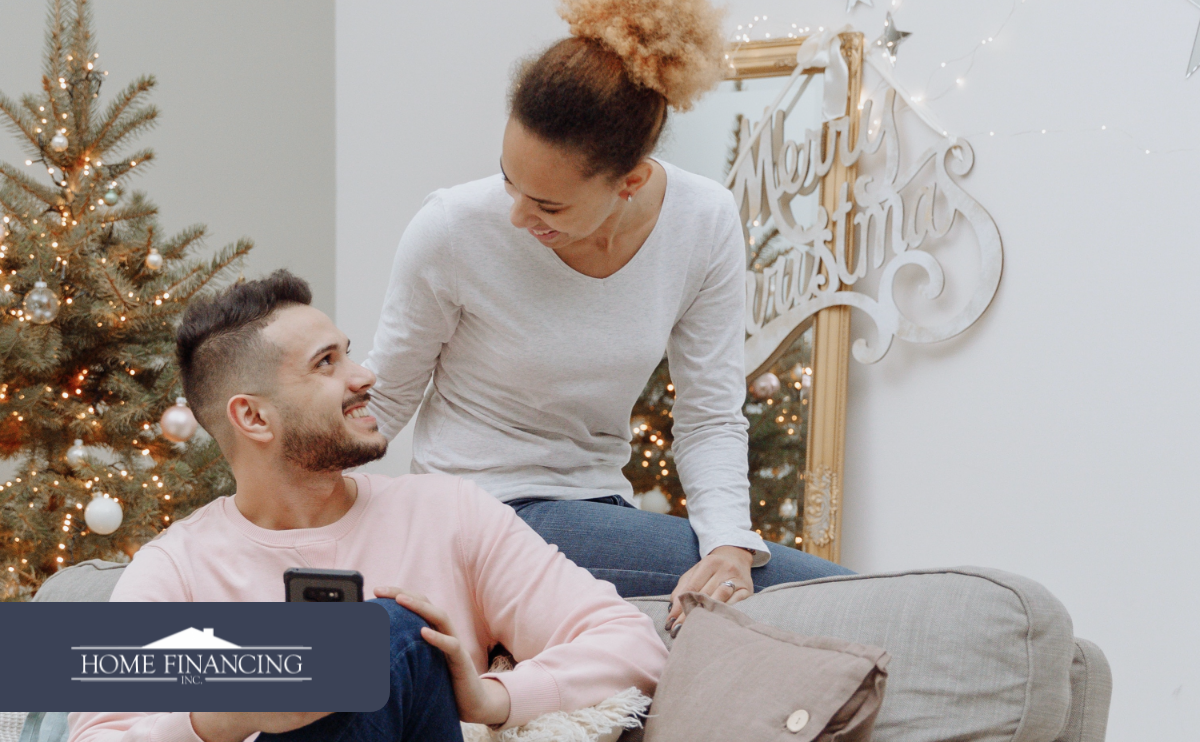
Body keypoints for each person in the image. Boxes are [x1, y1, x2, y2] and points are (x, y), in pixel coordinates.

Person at [362, 0, 853, 629]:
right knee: (834, 593)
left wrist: (730, 543)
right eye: (508, 179)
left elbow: (708, 415)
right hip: (475, 510)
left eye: (548, 205)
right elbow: (386, 399)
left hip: (599, 506)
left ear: (630, 181)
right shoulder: (452, 228)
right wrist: (281, 512)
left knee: (772, 594)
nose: (517, 214)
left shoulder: (702, 222)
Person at [68, 271, 667, 742]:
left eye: (348, 354)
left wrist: (493, 698)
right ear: (253, 416)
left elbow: (631, 643)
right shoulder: (176, 568)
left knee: (391, 630)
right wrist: (227, 714)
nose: (365, 376)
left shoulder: (447, 514)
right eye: (326, 363)